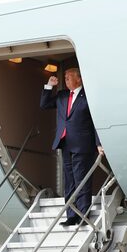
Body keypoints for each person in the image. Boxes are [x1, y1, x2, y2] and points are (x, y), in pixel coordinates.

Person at [40, 68, 104, 226]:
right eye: (65, 77)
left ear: (79, 79)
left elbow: (96, 121)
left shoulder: (87, 96)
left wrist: (98, 142)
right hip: (65, 143)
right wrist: (49, 86)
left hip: (83, 144)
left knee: (81, 179)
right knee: (69, 181)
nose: (66, 79)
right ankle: (71, 215)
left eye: (69, 77)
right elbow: (44, 104)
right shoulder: (62, 95)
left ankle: (83, 214)